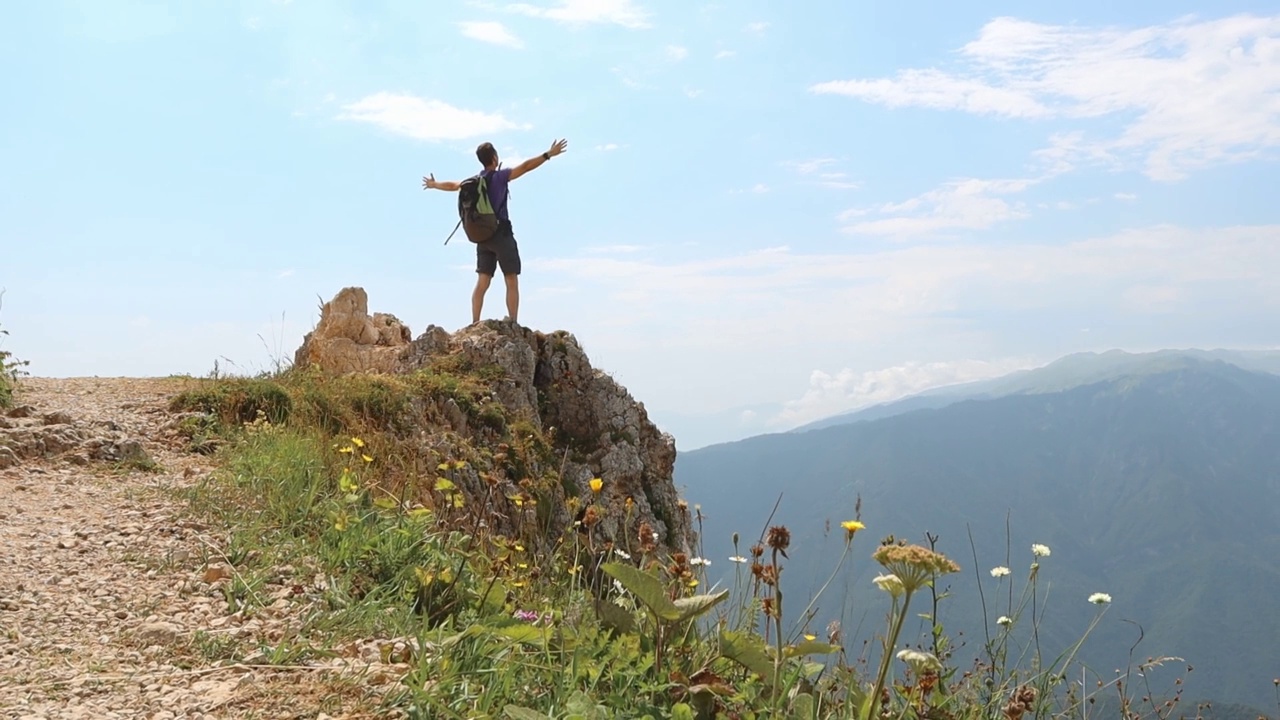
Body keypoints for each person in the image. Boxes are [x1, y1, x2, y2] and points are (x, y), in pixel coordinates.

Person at [423, 138, 569, 326]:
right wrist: (548, 154)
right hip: (501, 234)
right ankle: (514, 322)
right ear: (494, 158)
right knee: (511, 278)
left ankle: (475, 322)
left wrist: (435, 185)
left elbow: (453, 186)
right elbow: (525, 167)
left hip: (482, 237)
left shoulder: (474, 181)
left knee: (483, 280)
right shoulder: (499, 177)